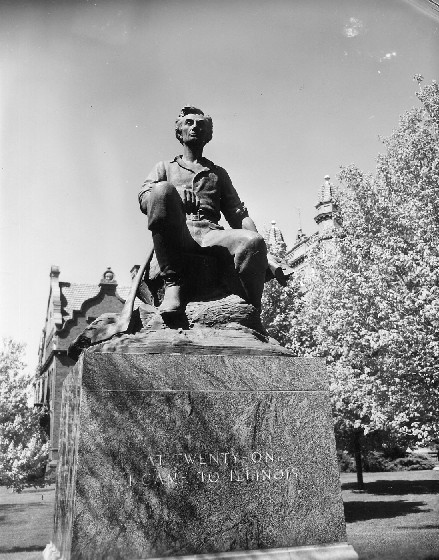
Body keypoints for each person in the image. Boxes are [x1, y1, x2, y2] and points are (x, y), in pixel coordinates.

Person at [138, 106, 283, 316]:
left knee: (253, 241)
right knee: (161, 190)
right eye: (189, 123)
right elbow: (145, 199)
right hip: (178, 233)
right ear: (179, 131)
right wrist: (175, 195)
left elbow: (238, 215)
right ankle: (173, 284)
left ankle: (252, 311)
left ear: (208, 135)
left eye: (201, 125)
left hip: (211, 235)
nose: (195, 127)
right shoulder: (164, 168)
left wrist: (265, 253)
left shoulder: (218, 174)